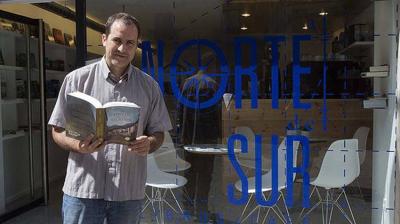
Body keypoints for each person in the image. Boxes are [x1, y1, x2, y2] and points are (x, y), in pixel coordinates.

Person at [48, 12, 172, 224]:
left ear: (136, 46)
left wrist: (149, 143)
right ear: (104, 39)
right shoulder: (76, 80)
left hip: (128, 192)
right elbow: (57, 130)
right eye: (117, 40)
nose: (123, 49)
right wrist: (78, 145)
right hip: (83, 190)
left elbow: (158, 132)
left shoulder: (149, 86)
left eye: (130, 43)